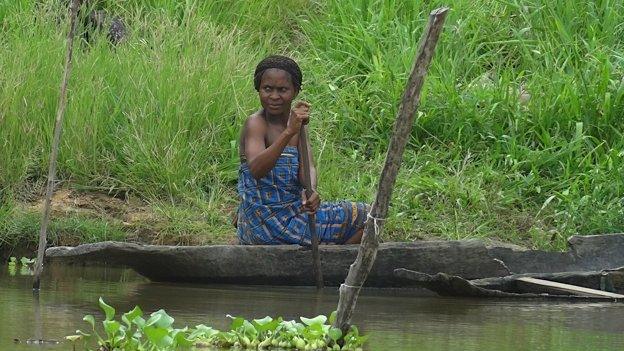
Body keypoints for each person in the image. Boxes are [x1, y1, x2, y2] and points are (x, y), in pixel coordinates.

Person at [236, 55, 369, 245]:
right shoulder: (256, 123)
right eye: (267, 89)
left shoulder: (298, 124)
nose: (274, 96)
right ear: (258, 89)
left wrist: (310, 190)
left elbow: (308, 166)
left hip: (294, 212)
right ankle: (328, 263)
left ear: (295, 91)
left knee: (369, 216)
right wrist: (289, 132)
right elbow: (257, 169)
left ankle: (334, 266)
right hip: (266, 223)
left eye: (282, 90)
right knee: (366, 217)